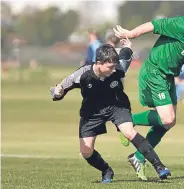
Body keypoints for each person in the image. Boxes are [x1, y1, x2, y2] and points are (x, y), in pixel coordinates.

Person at [113, 1, 184, 180]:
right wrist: (131, 34)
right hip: (155, 72)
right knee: (167, 118)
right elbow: (155, 25)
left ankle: (138, 157)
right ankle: (127, 121)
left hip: (168, 76)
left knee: (168, 123)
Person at [50, 41, 171, 183]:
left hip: (117, 105)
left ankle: (159, 167)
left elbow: (125, 55)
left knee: (129, 132)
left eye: (115, 65)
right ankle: (106, 170)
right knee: (86, 151)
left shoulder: (118, 68)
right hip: (92, 111)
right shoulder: (83, 74)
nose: (114, 70)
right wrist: (57, 93)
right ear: (99, 62)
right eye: (110, 66)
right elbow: (60, 89)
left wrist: (128, 46)